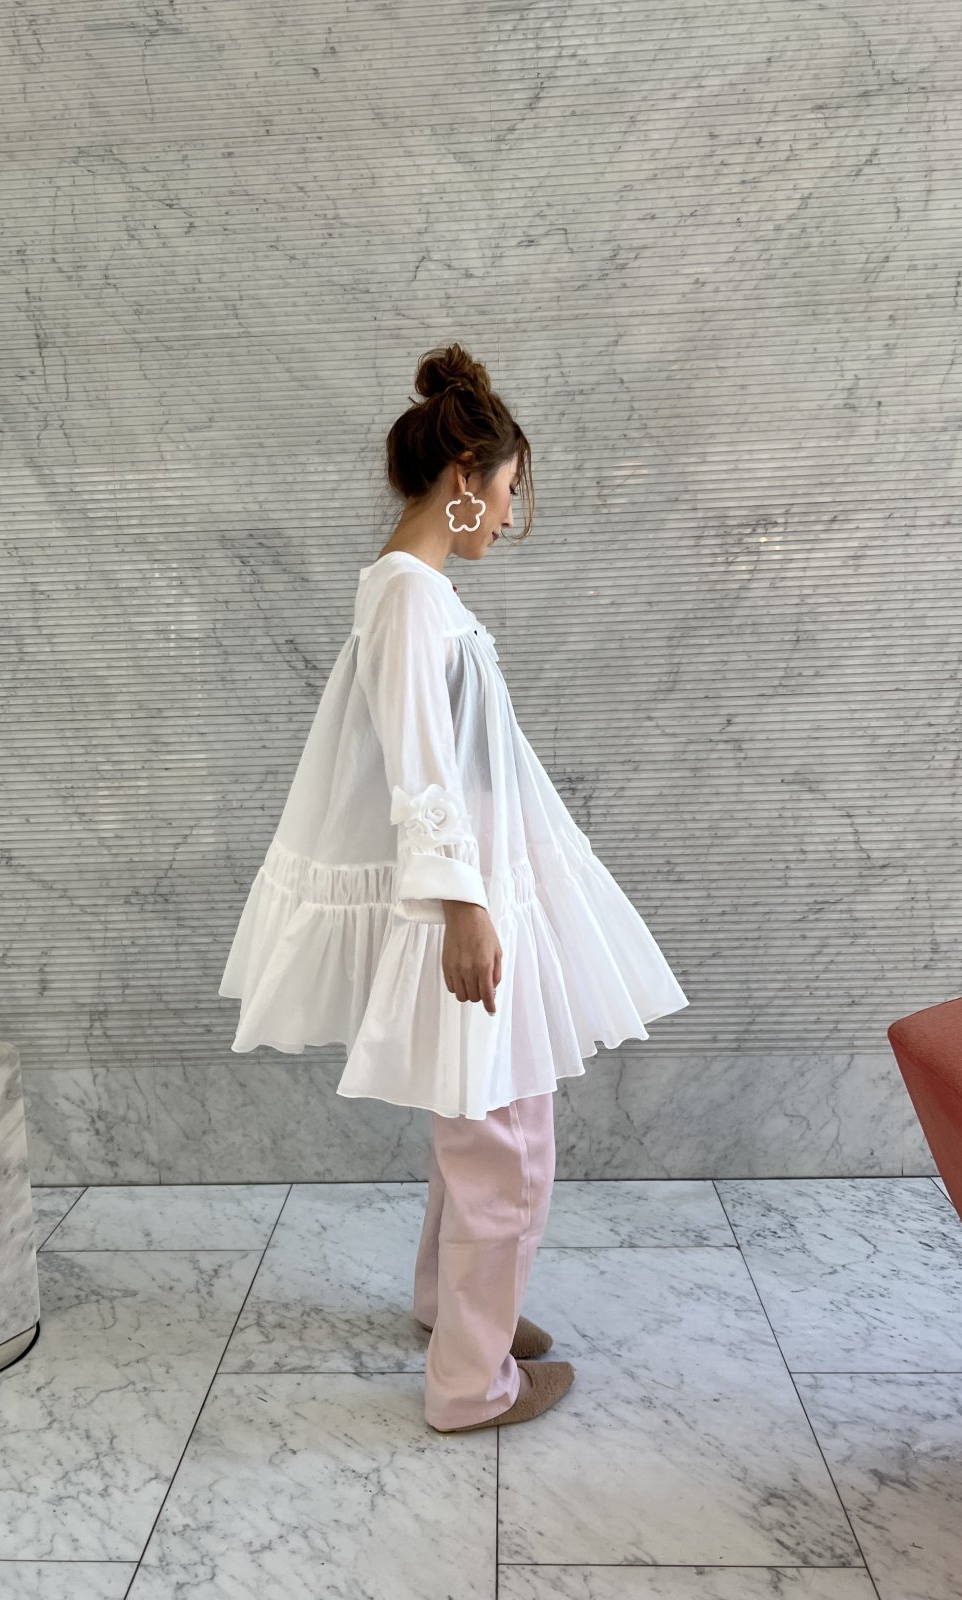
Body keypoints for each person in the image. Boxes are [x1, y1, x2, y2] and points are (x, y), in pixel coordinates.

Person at [219, 342, 690, 1433]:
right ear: (467, 476)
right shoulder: (409, 598)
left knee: (480, 1128)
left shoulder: (412, 591)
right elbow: (421, 771)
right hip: (466, 906)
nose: (510, 520)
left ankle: (454, 1310)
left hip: (478, 891)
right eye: (511, 493)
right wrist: (468, 913)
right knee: (507, 1147)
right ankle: (473, 1385)